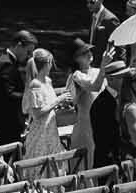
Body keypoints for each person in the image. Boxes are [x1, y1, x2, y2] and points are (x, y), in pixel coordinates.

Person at [0, 29, 36, 147]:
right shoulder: (6, 63)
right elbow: (9, 93)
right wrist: (30, 96)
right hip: (8, 121)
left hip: (9, 120)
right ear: (19, 46)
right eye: (28, 51)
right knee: (12, 158)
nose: (29, 56)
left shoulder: (9, 61)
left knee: (14, 157)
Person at [64, 39, 102, 169]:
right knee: (89, 162)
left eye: (89, 50)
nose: (89, 54)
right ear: (76, 58)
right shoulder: (76, 76)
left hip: (101, 121)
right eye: (84, 52)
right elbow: (94, 87)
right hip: (87, 125)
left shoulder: (97, 72)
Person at [21, 48, 62, 161]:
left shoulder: (48, 81)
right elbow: (37, 113)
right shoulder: (35, 84)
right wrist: (58, 100)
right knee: (41, 164)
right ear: (46, 64)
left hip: (51, 129)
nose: (51, 66)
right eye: (50, 63)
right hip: (40, 132)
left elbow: (49, 104)